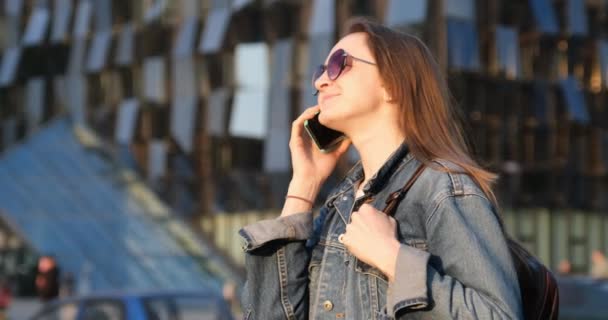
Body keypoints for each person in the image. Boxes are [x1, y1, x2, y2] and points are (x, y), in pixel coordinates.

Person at [239, 18, 522, 319]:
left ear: (391, 84)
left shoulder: (442, 188)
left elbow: (498, 314)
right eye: (320, 71)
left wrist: (394, 259)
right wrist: (304, 186)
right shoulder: (339, 207)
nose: (320, 81)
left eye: (339, 64)